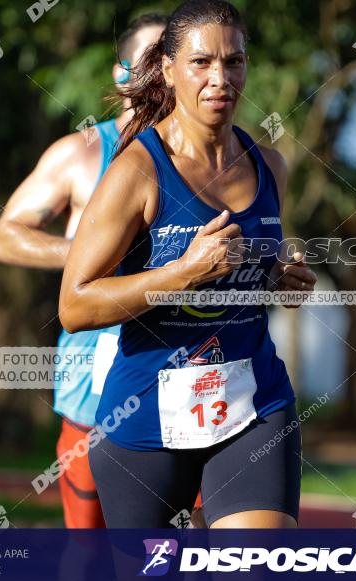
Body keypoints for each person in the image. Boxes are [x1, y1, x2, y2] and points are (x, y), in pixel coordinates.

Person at [59, 0, 316, 529]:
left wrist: (275, 278)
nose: (220, 78)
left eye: (234, 61)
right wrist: (182, 275)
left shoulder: (270, 165)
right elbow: (75, 305)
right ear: (169, 69)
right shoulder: (137, 170)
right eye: (201, 63)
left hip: (253, 408)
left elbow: (242, 270)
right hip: (145, 417)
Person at [0, 14, 167, 528]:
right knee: (87, 543)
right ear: (121, 73)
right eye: (152, 56)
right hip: (94, 364)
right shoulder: (81, 153)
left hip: (184, 361)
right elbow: (5, 235)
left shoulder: (210, 158)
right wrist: (89, 253)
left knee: (182, 546)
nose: (164, 69)